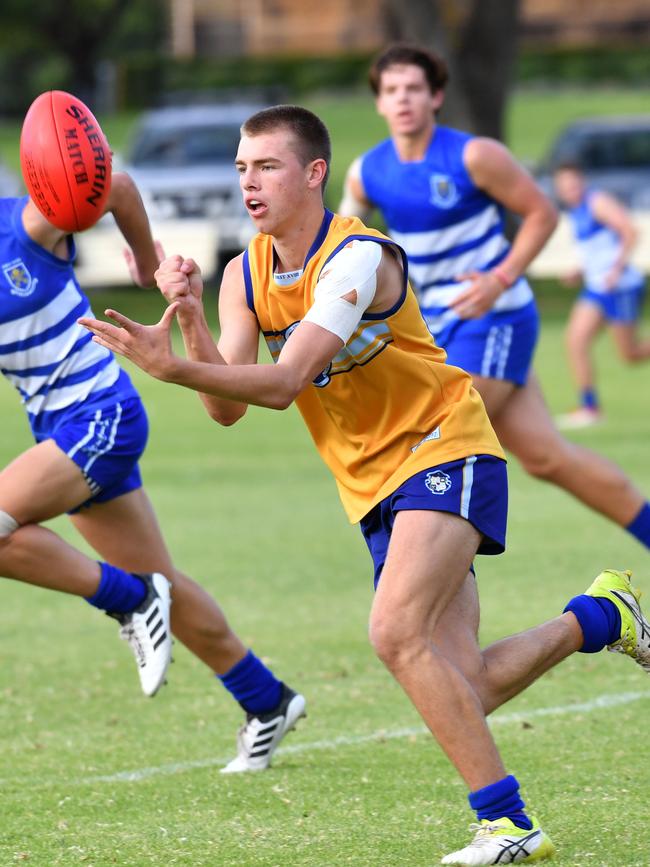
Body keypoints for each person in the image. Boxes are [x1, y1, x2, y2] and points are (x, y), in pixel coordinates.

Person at [80, 104, 650, 866]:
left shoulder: (356, 256)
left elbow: (283, 383)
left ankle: (509, 823)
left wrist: (172, 368)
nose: (250, 181)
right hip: (374, 483)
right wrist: (186, 321)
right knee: (464, 685)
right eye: (243, 168)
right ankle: (602, 615)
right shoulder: (245, 271)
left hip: (446, 444)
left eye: (268, 166)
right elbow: (224, 407)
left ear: (315, 173)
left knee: (394, 632)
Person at [0, 165, 305, 773]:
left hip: (101, 414)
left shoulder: (27, 224)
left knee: (132, 584)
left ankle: (128, 599)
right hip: (61, 431)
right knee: (162, 578)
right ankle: (267, 701)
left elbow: (111, 181)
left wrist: (144, 261)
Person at [339, 42, 650, 554]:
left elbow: (541, 214)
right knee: (547, 458)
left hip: (496, 316)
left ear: (436, 96)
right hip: (437, 325)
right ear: (378, 102)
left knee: (431, 435)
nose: (403, 99)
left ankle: (422, 578)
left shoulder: (474, 155)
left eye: (414, 88)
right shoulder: (367, 171)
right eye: (392, 90)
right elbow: (346, 242)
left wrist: (500, 279)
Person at [552, 161, 650, 428]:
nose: (569, 190)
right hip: (597, 288)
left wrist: (616, 270)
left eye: (573, 184)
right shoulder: (575, 210)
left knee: (630, 354)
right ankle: (590, 407)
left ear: (582, 181)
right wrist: (579, 270)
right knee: (575, 340)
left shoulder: (598, 202)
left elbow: (630, 232)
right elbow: (597, 249)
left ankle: (590, 407)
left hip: (620, 287)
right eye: (564, 187)